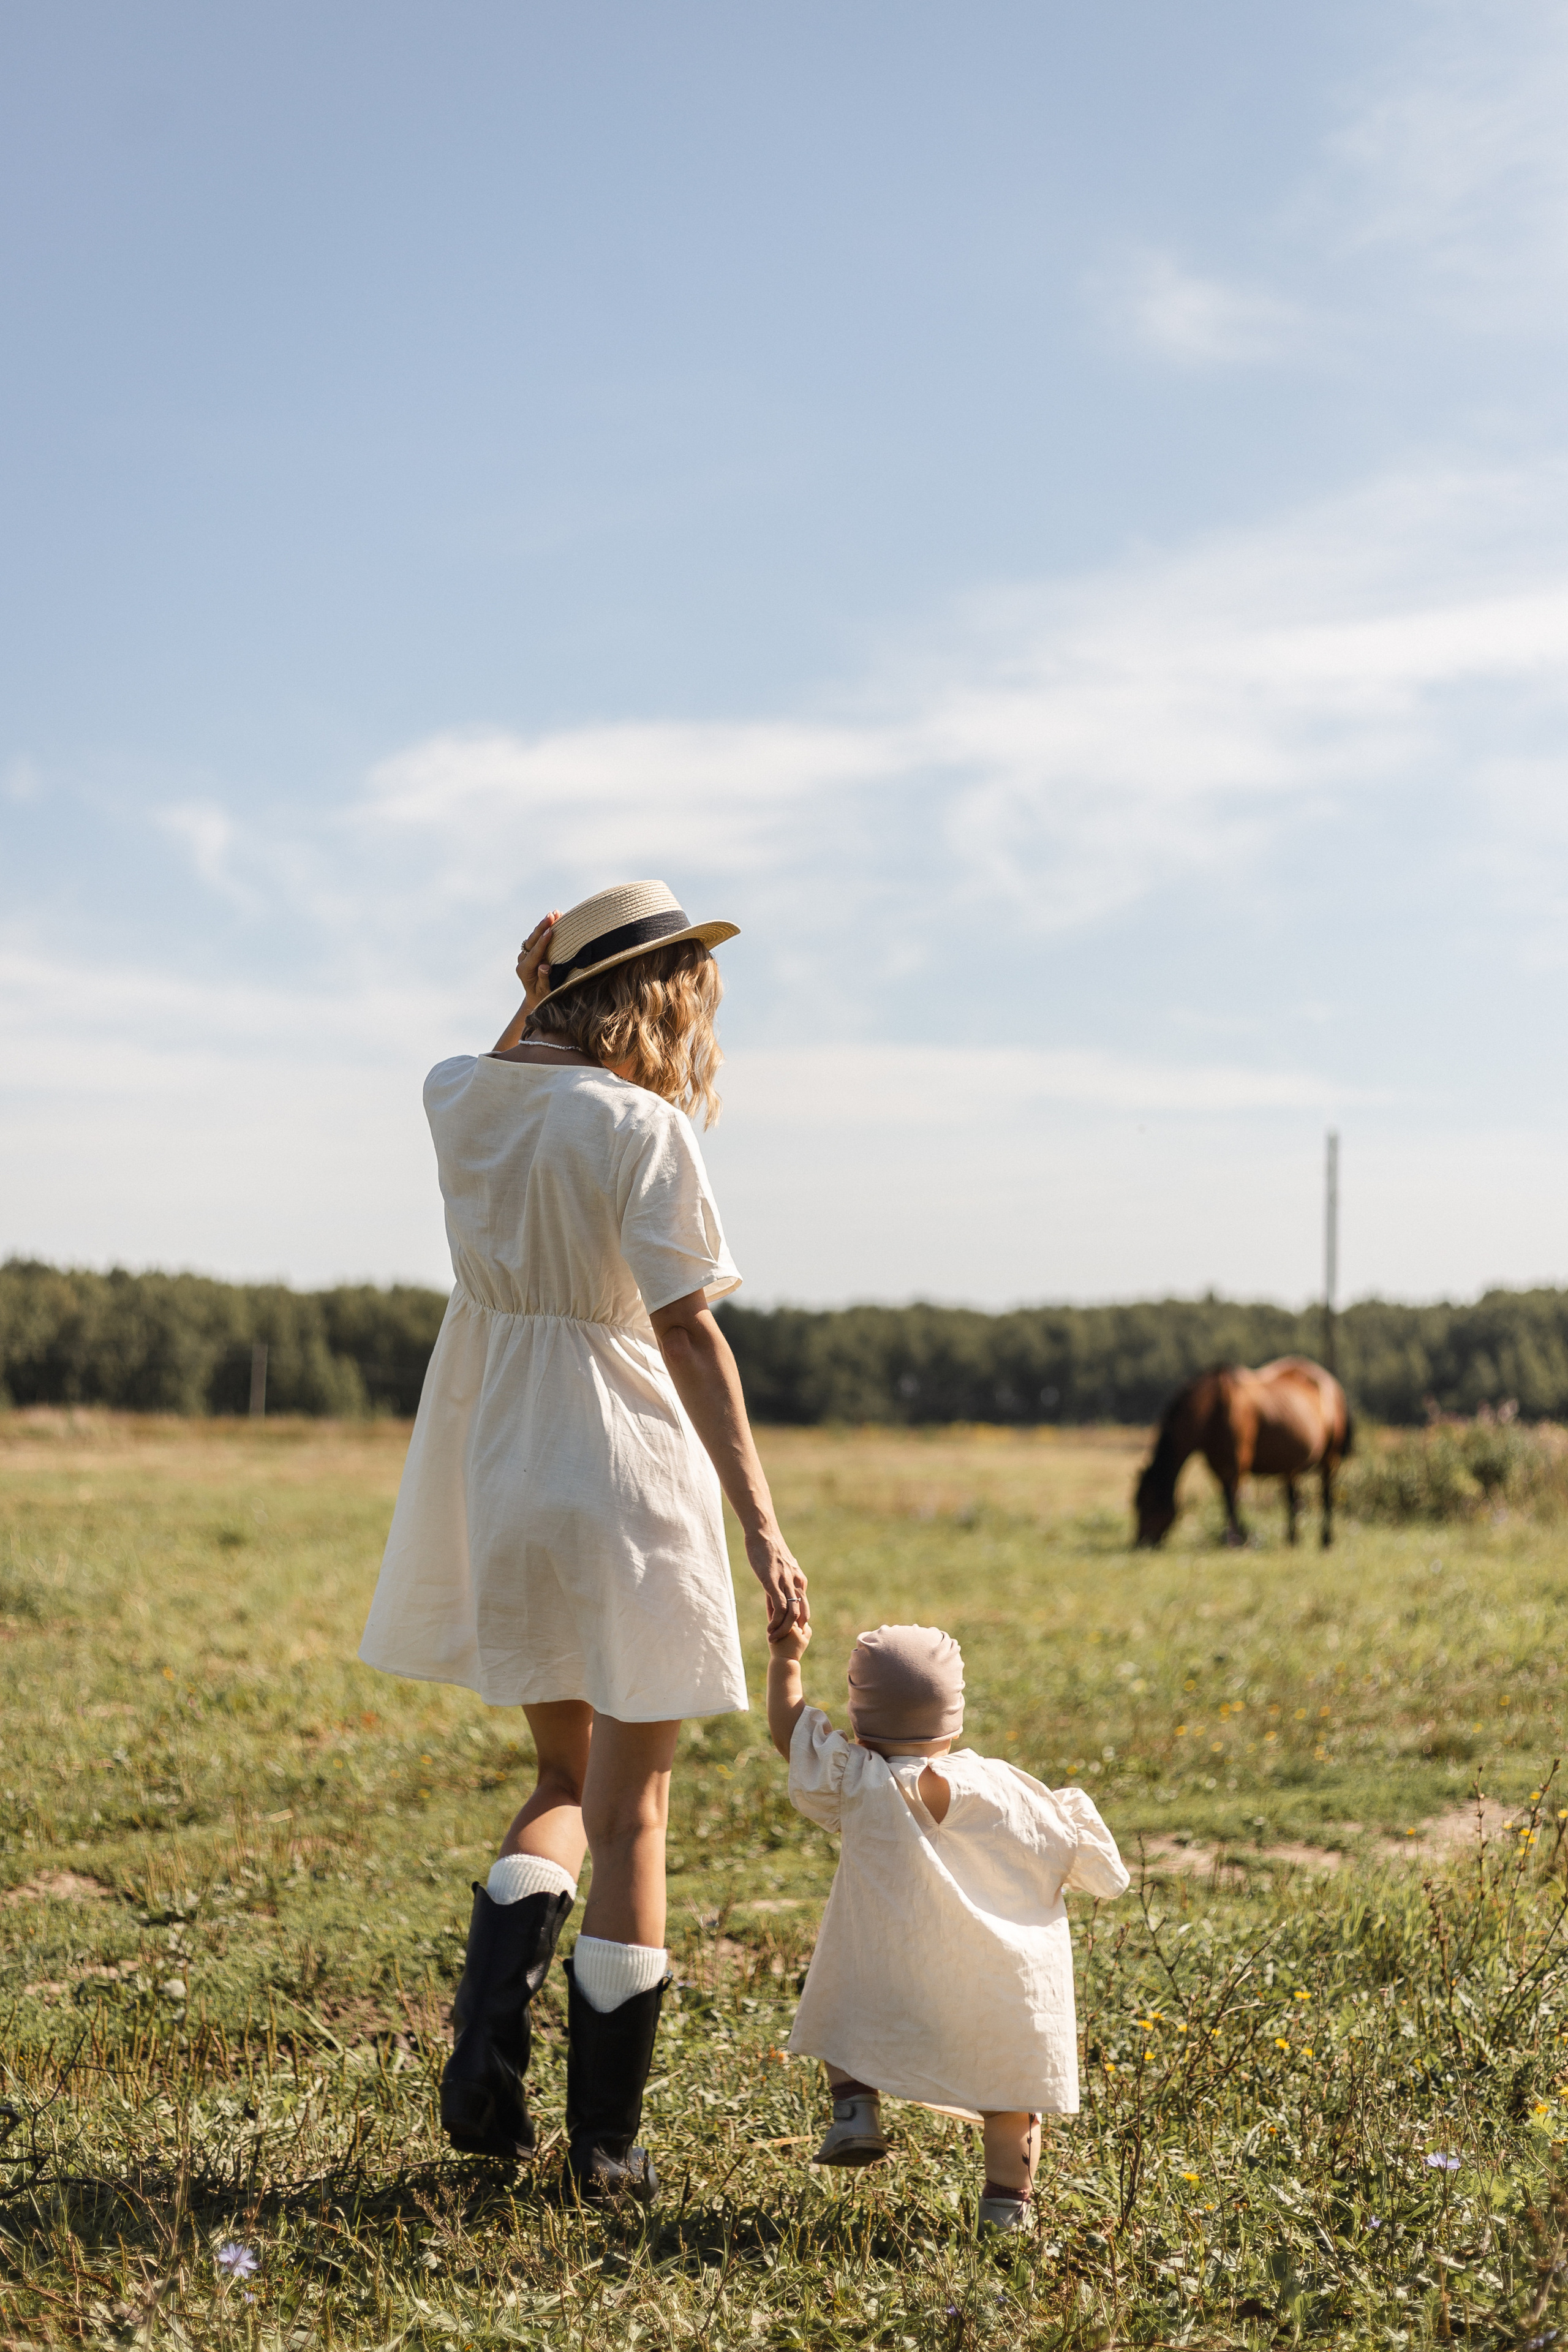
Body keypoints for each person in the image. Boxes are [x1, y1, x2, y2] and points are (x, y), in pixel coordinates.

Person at [359, 879, 808, 2203]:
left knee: (559, 1783)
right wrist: (763, 1522)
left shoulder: (459, 1092)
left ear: (553, 987)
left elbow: (511, 1073)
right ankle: (604, 2152)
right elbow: (684, 1330)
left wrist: (528, 996)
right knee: (636, 1814)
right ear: (652, 994)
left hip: (500, 1467)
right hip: (622, 1466)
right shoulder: (644, 1129)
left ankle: (484, 2042)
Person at [766, 1618, 1128, 2231]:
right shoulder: (1014, 1791)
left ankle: (854, 2108)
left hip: (895, 1977)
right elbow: (1100, 1869)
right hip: (1003, 1988)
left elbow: (792, 1736)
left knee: (847, 2004)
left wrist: (786, 1659)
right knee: (1012, 2103)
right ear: (954, 1718)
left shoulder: (859, 1781)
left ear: (858, 1720)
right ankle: (1007, 2207)